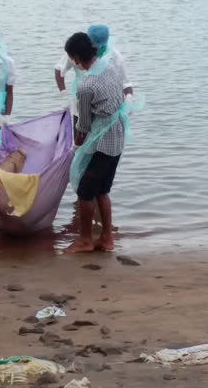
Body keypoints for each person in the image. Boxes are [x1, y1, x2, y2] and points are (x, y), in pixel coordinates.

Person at [63, 32, 127, 253]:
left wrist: (76, 147)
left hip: (102, 143)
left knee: (85, 190)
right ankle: (107, 239)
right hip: (118, 135)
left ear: (75, 57)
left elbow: (84, 125)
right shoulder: (111, 67)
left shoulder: (86, 85)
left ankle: (85, 239)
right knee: (102, 190)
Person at [54, 24, 132, 121]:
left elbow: (126, 84)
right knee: (81, 128)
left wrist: (128, 98)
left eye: (101, 47)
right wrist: (64, 95)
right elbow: (59, 69)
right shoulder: (77, 52)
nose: (96, 50)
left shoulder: (115, 57)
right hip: (81, 102)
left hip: (106, 109)